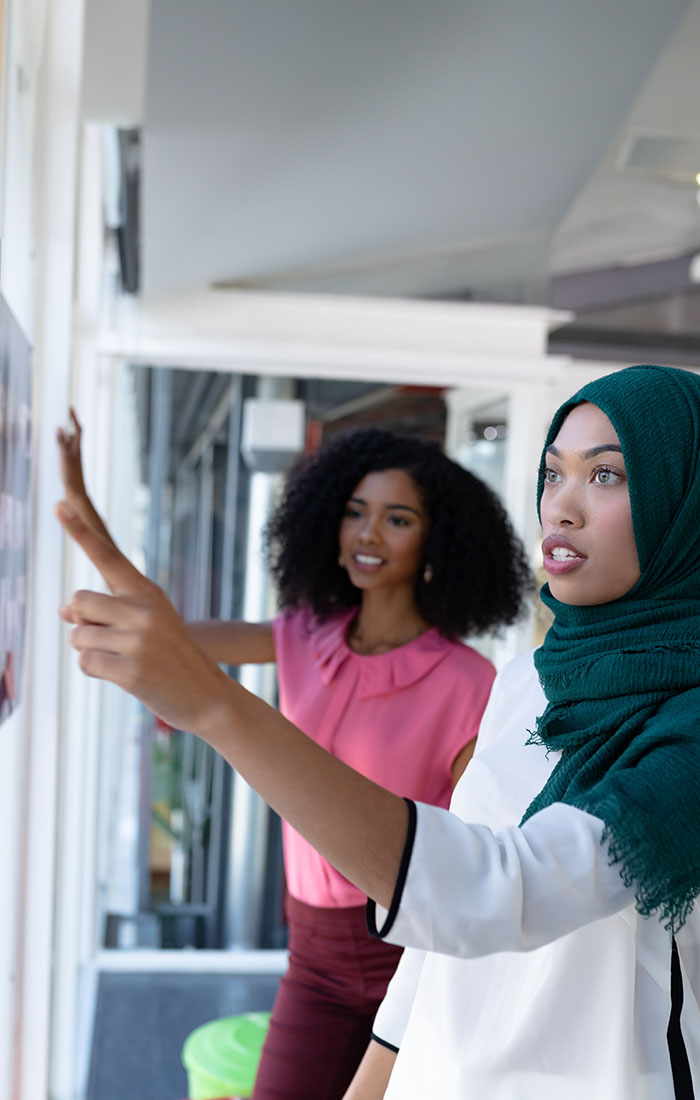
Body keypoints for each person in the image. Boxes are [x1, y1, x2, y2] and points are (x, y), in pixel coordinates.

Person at [58, 363, 700, 1099]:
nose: (563, 507)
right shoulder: (528, 681)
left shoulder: (680, 725)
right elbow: (440, 941)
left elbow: (498, 888)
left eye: (608, 476)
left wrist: (215, 708)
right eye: (553, 474)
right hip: (420, 1045)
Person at [57, 411, 532, 1100]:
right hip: (312, 955)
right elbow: (168, 637)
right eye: (354, 512)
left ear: (437, 541)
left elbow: (474, 848)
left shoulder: (467, 682)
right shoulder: (302, 634)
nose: (368, 534)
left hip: (413, 953)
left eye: (397, 519)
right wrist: (82, 507)